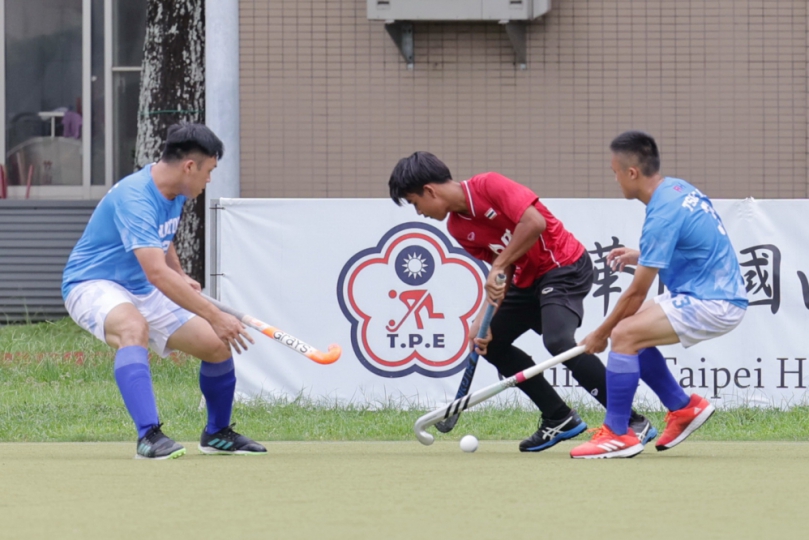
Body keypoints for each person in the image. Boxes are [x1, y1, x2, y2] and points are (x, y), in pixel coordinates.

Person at [389, 151, 656, 452]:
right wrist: (482, 319)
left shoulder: (489, 185)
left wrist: (499, 266)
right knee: (490, 342)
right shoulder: (457, 228)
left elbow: (534, 223)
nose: (419, 211)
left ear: (429, 190)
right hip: (525, 282)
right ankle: (559, 417)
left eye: (415, 203)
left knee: (559, 342)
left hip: (563, 266)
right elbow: (504, 270)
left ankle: (632, 421)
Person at [62, 122, 266, 460]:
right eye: (209, 171)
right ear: (190, 166)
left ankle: (217, 433)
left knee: (216, 345)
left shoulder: (174, 190)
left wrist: (180, 273)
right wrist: (214, 314)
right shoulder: (136, 196)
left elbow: (162, 240)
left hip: (141, 284)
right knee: (133, 328)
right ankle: (149, 436)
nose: (209, 180)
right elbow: (156, 273)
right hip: (91, 283)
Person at [571, 131, 748, 459]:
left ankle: (618, 434)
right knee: (636, 334)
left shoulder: (662, 213)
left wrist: (600, 334)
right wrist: (641, 255)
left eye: (615, 172)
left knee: (623, 333)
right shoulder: (677, 189)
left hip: (714, 302)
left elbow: (636, 293)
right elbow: (693, 244)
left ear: (632, 173)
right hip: (709, 292)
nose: (615, 179)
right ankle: (683, 408)